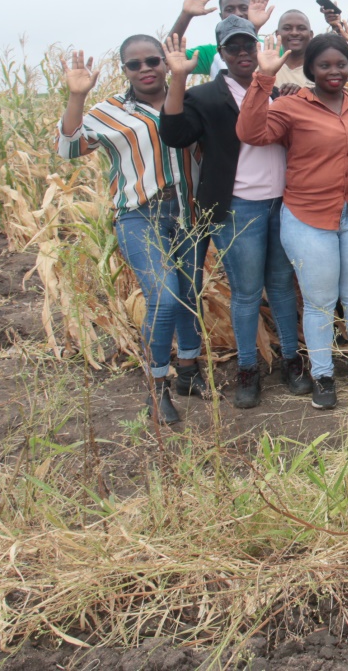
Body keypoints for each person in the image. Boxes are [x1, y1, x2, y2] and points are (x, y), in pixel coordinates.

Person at [159, 18, 307, 408]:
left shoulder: (280, 91)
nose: (242, 54)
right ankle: (247, 369)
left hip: (284, 203)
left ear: (259, 48)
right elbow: (175, 135)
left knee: (280, 286)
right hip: (238, 207)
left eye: (248, 46)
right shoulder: (206, 96)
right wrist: (177, 79)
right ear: (221, 54)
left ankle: (291, 361)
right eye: (233, 48)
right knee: (245, 293)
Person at [57, 38, 205, 425]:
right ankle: (157, 388)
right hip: (142, 215)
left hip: (189, 212)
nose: (145, 69)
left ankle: (189, 371)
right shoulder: (110, 111)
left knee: (190, 293)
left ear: (166, 63)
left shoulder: (189, 101)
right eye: (134, 64)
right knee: (165, 297)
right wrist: (77, 96)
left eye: (153, 60)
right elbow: (69, 149)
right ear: (124, 70)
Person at [236, 33, 348, 410]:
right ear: (310, 69)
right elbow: (250, 132)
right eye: (325, 65)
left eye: (341, 64)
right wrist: (263, 79)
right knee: (319, 301)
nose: (334, 72)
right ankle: (322, 375)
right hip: (308, 215)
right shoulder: (290, 106)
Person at [164, 0, 275, 77]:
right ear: (221, 16)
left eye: (243, 8)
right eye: (229, 10)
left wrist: (254, 27)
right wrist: (186, 14)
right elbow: (167, 58)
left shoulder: (273, 49)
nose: (237, 13)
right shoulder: (211, 53)